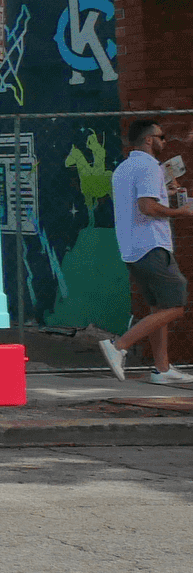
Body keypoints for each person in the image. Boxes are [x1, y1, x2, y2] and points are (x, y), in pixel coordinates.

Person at [103, 119, 192, 386]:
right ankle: (118, 346)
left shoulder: (125, 168)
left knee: (159, 308)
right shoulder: (148, 166)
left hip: (133, 248)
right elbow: (148, 208)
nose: (165, 142)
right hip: (152, 245)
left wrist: (169, 192)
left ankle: (162, 369)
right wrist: (182, 211)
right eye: (161, 137)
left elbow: (142, 203)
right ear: (149, 140)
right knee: (176, 304)